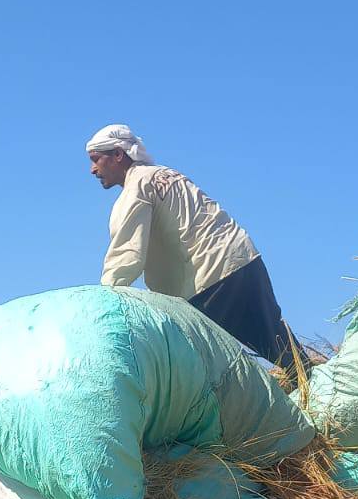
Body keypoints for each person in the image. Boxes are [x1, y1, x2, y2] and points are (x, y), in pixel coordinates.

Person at [86, 123, 307, 375]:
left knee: (202, 369)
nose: (93, 169)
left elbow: (127, 254)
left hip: (208, 281)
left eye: (96, 159)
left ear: (118, 154)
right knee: (281, 348)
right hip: (244, 259)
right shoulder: (167, 173)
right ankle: (317, 386)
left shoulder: (136, 187)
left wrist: (104, 306)